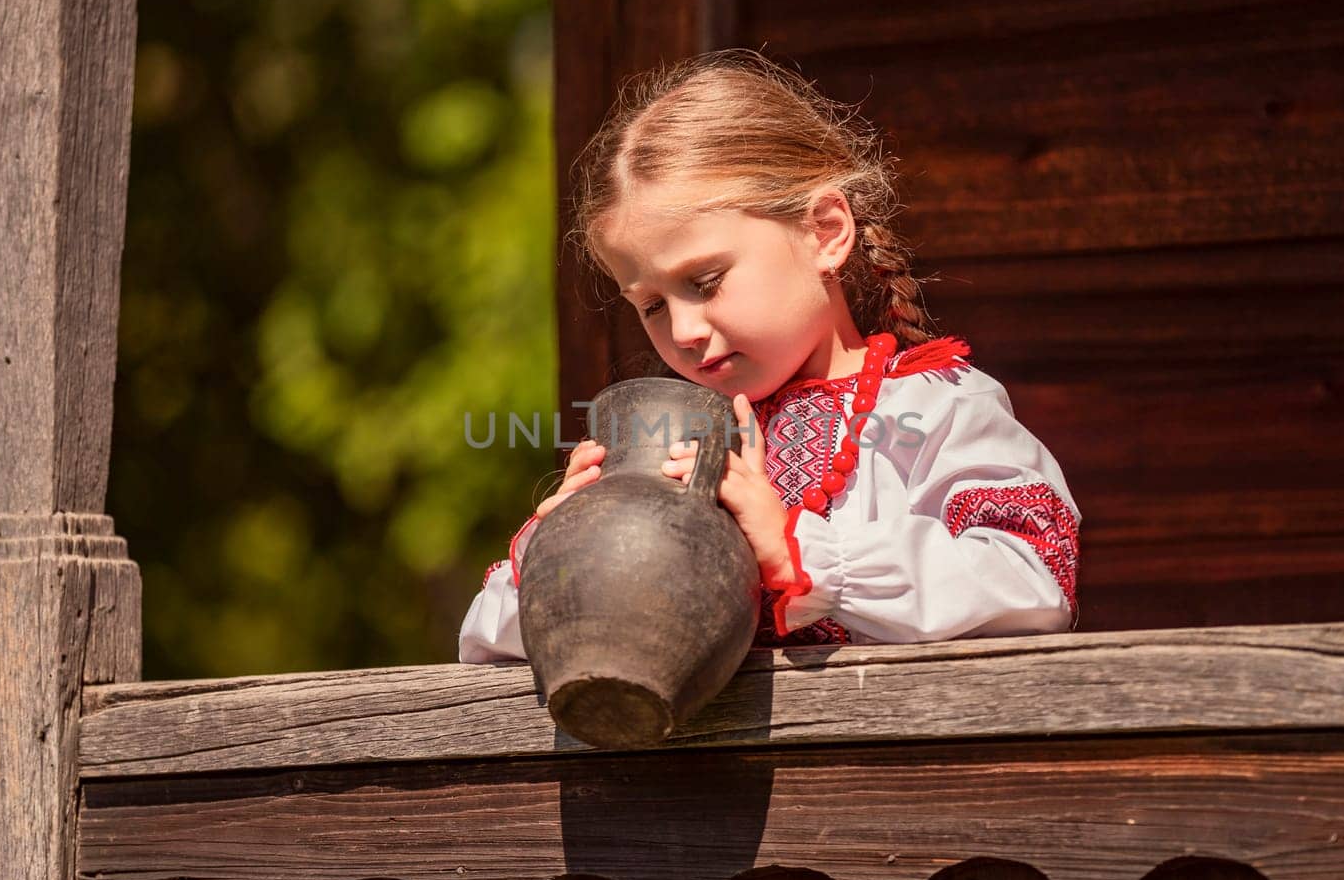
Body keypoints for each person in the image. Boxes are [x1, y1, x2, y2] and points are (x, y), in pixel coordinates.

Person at [458, 50, 1080, 663]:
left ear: (826, 232)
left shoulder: (934, 407)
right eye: (650, 306)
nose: (683, 329)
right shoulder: (666, 449)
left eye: (704, 281)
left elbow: (1034, 583)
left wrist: (799, 553)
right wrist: (566, 550)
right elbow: (486, 642)